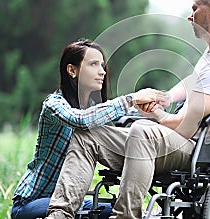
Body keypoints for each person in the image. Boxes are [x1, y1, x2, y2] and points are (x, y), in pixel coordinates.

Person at [46, 0, 210, 219]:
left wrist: (156, 114)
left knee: (143, 130)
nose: (190, 16)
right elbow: (194, 81)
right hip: (181, 143)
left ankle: (125, 216)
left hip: (200, 149)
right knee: (88, 135)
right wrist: (164, 98)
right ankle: (59, 215)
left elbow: (185, 126)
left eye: (195, 8)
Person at [11, 38, 156, 219]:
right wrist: (131, 99)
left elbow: (124, 118)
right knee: (84, 212)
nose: (102, 72)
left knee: (116, 213)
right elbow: (80, 120)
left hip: (72, 198)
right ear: (72, 70)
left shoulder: (93, 108)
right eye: (93, 64)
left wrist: (156, 111)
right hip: (31, 204)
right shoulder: (54, 105)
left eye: (102, 65)